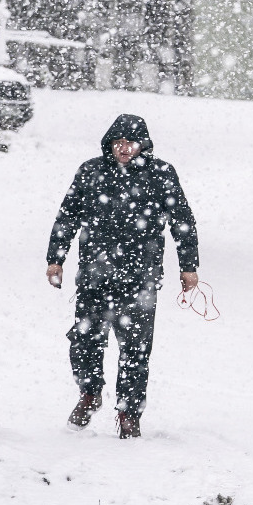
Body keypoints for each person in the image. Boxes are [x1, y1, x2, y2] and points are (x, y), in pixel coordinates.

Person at [46, 113, 199, 438]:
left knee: (136, 351)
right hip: (93, 279)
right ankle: (89, 394)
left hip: (139, 280)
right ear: (109, 144)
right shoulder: (91, 172)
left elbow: (182, 220)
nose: (123, 148)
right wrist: (55, 258)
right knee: (84, 342)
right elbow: (67, 216)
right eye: (118, 142)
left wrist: (189, 266)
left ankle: (129, 412)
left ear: (142, 144)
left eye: (129, 142)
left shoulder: (160, 174)